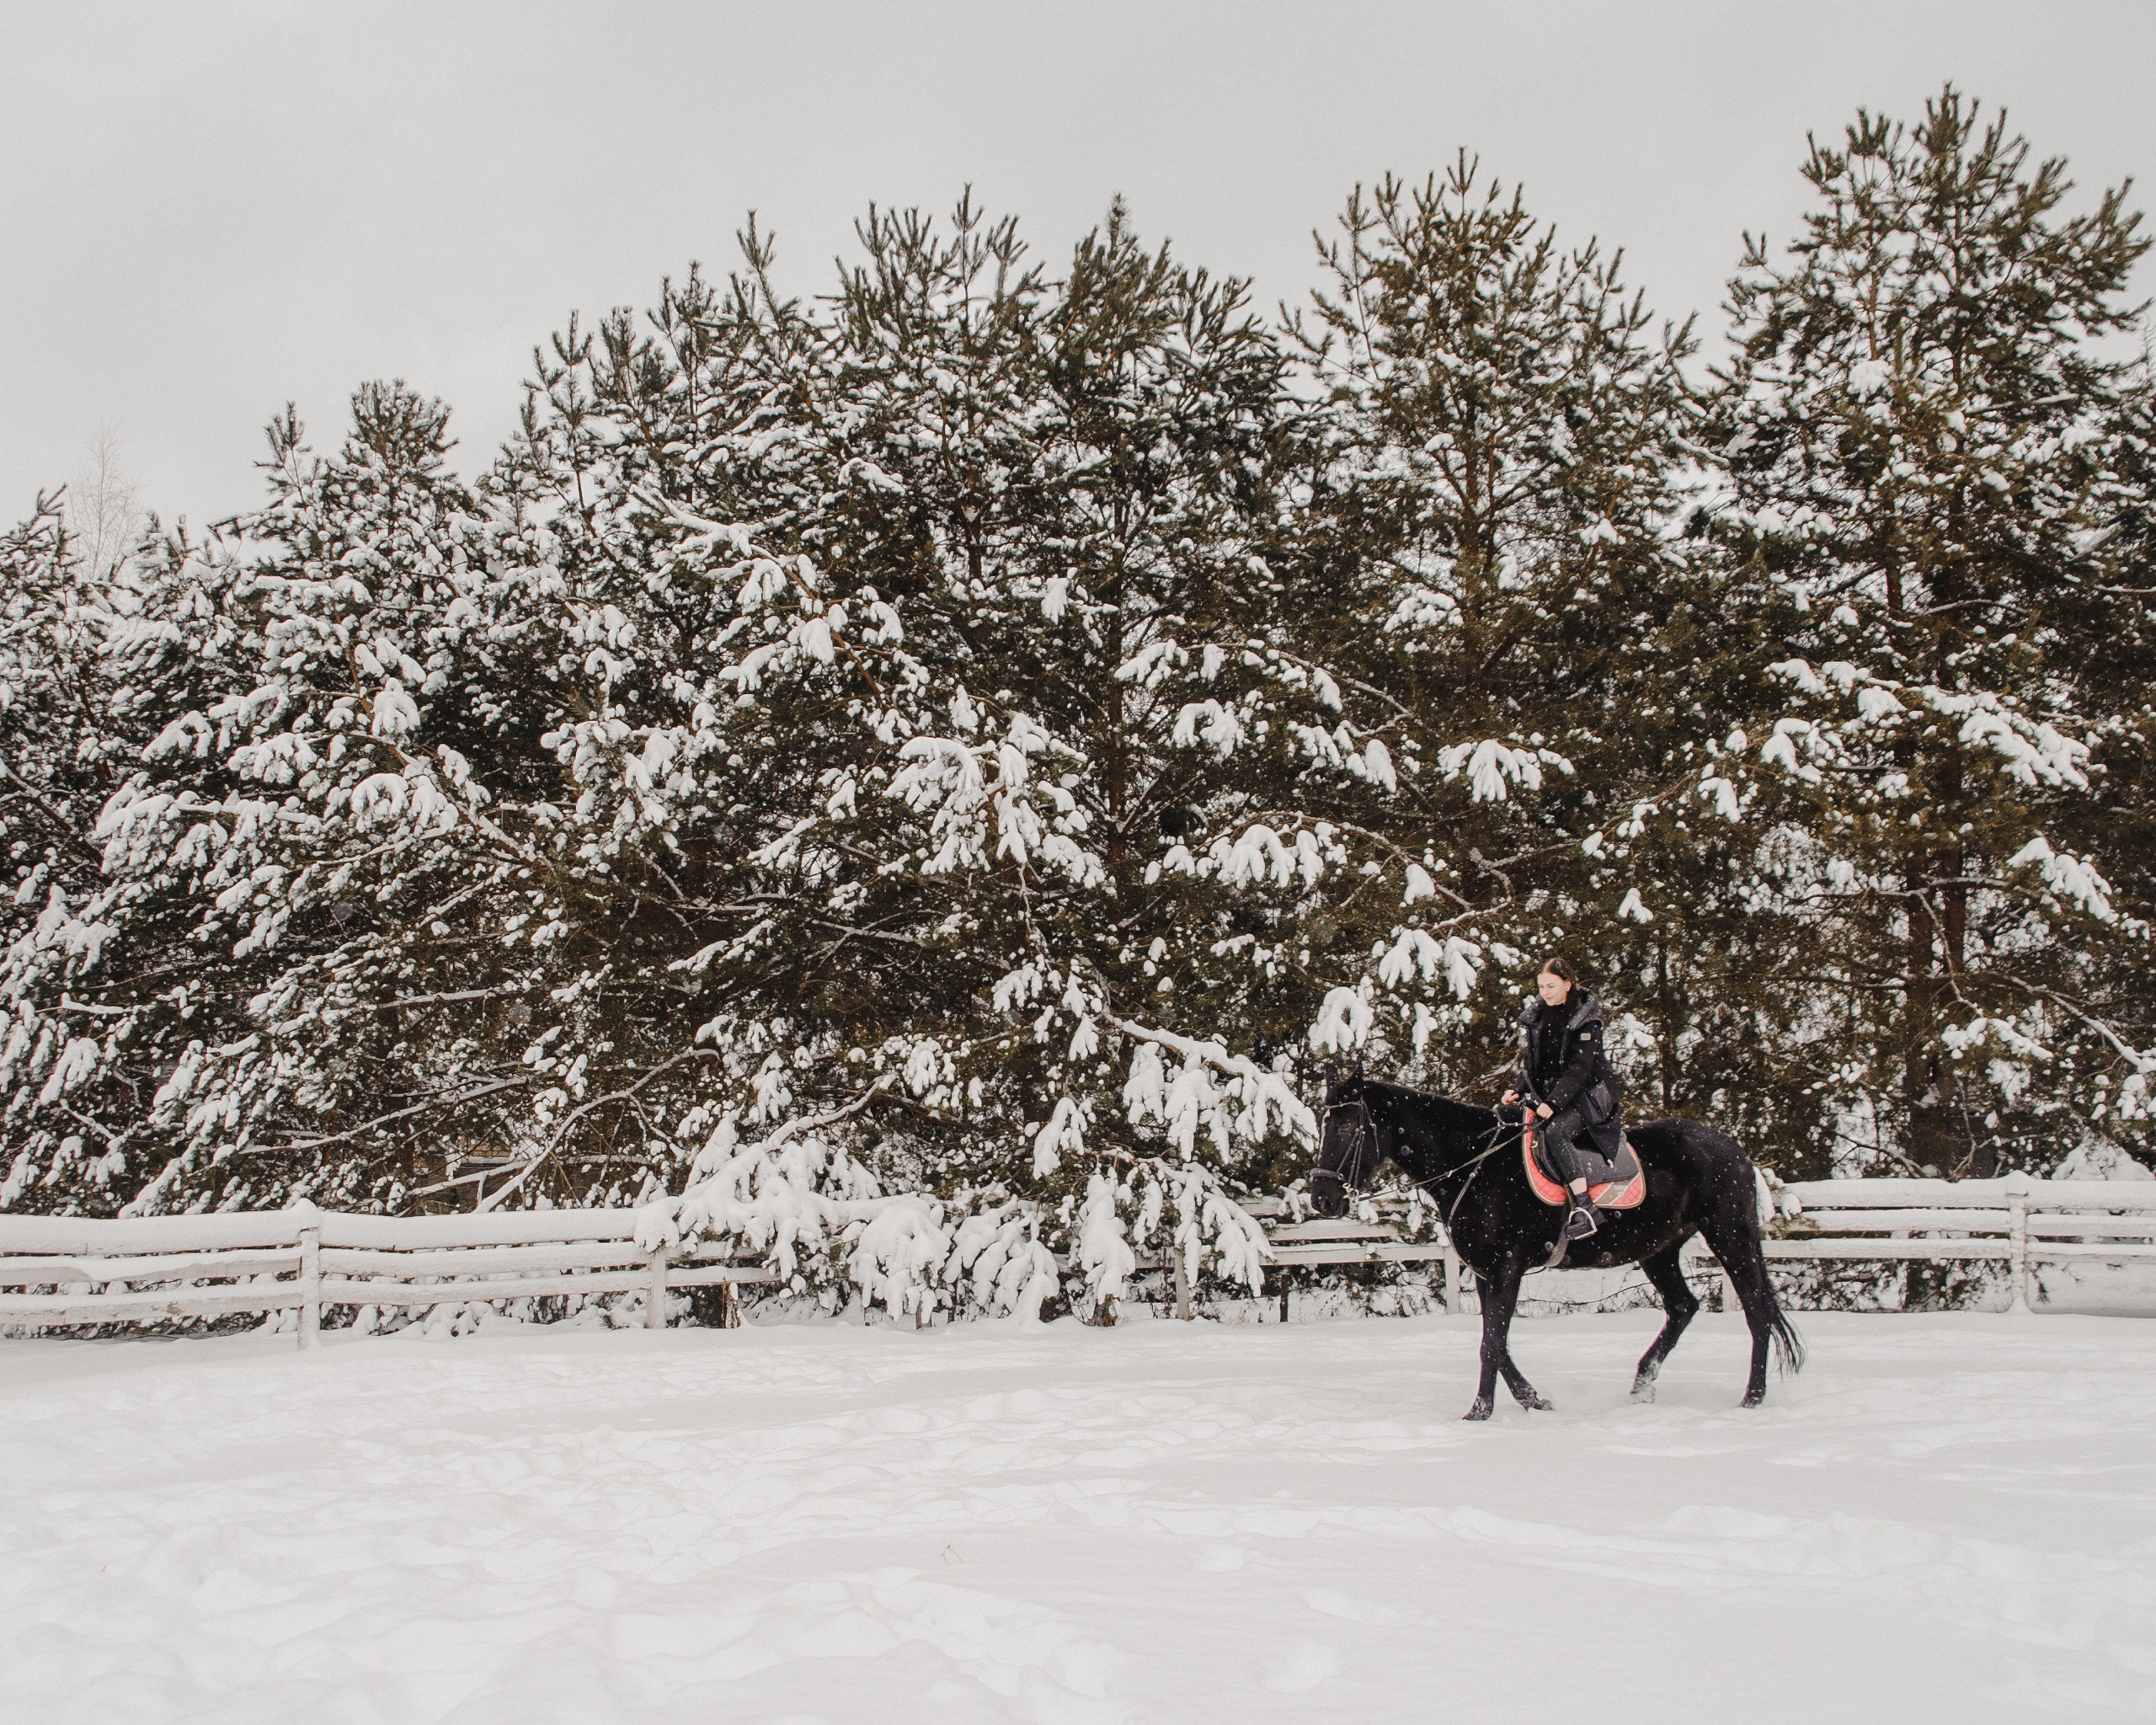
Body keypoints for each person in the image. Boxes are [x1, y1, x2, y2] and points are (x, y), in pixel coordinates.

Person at [1502, 955, 1625, 1241]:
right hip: (1555, 1095)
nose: (1545, 992)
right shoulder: (1540, 1017)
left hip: (1588, 1098)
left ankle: (1586, 1208)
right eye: (1541, 986)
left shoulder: (1586, 1020)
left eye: (1552, 986)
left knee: (1557, 1132)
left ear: (1568, 985)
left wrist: (1553, 1104)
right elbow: (1535, 1063)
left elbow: (1579, 1069)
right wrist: (1519, 1089)